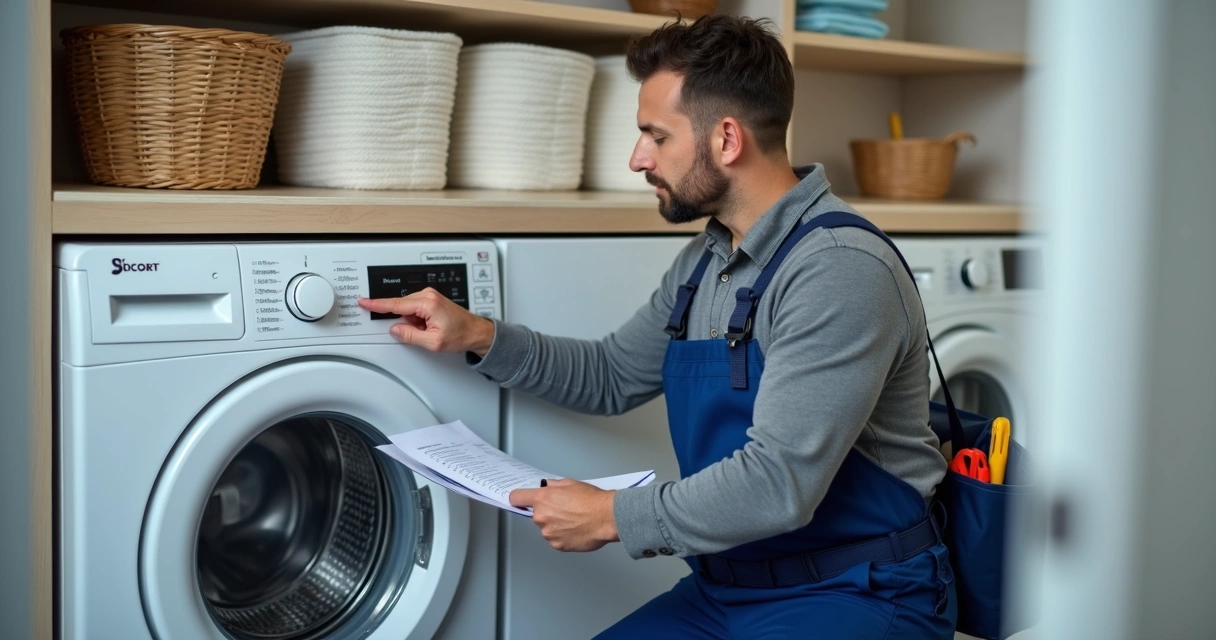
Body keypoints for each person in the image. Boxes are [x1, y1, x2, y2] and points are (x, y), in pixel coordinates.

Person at [358, 14, 956, 640]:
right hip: (729, 589)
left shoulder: (837, 269)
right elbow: (613, 374)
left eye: (655, 135)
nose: (637, 157)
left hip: (857, 591)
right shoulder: (707, 261)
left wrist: (611, 515)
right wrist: (476, 334)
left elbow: (780, 484)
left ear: (727, 139)